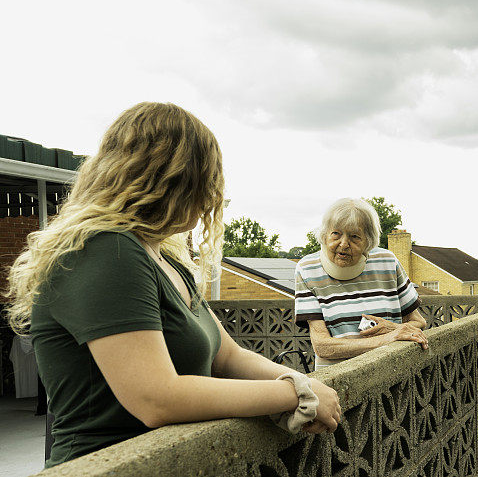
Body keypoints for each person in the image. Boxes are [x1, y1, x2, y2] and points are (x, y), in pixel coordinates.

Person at [3, 103, 341, 468]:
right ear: (170, 179)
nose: (211, 193)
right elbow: (156, 398)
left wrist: (301, 383)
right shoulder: (106, 249)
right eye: (205, 178)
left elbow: (228, 357)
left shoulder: (166, 258)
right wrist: (295, 395)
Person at [295, 198, 429, 369]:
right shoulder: (307, 269)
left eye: (354, 236)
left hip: (391, 371)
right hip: (338, 380)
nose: (343, 244)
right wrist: (387, 338)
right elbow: (322, 346)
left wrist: (391, 328)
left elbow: (418, 322)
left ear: (368, 241)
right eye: (336, 233)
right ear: (325, 234)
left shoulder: (387, 262)